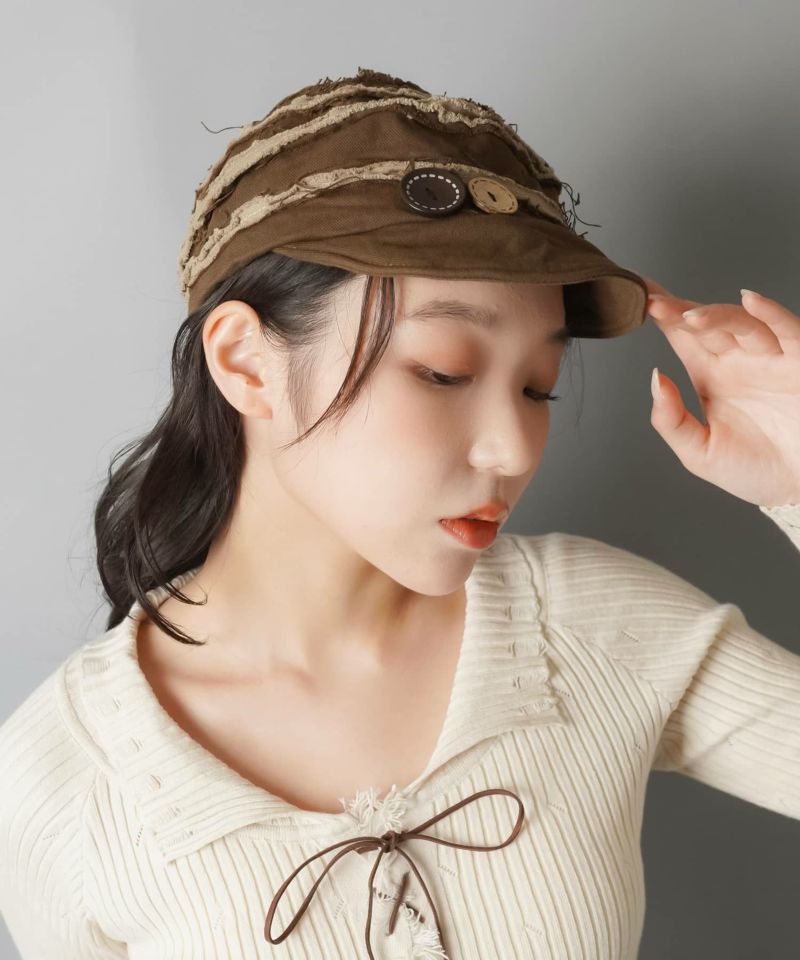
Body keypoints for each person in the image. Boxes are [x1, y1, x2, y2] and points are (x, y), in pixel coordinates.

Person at [0, 66, 798, 960]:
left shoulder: (594, 630)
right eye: (443, 372)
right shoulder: (62, 781)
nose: (513, 448)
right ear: (248, 364)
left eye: (538, 386)